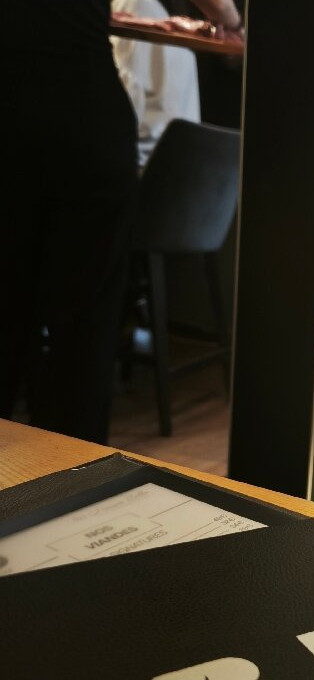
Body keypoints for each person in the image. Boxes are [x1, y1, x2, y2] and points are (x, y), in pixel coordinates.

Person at [2, 0, 241, 444]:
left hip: (13, 114)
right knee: (84, 329)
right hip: (84, 114)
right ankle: (66, 470)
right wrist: (230, 20)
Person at [111, 0, 202, 168]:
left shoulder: (134, 7)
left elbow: (124, 108)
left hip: (147, 164)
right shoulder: (177, 21)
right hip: (185, 163)